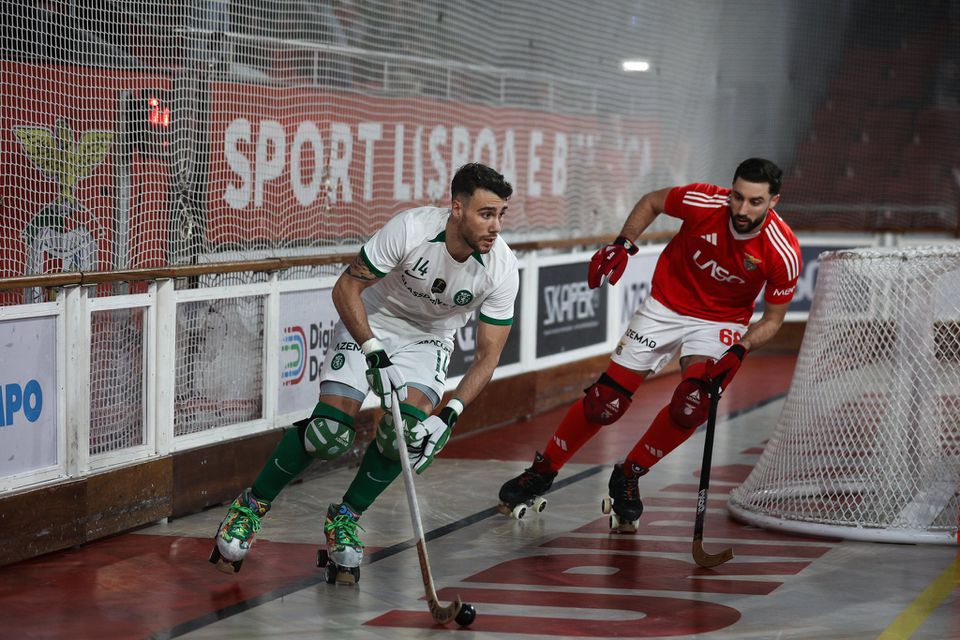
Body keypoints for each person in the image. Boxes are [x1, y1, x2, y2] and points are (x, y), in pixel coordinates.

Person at [211, 163, 518, 580]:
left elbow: (488, 355)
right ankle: (251, 506)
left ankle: (346, 518)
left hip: (429, 340)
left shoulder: (501, 267)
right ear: (456, 208)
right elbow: (346, 288)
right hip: (372, 321)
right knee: (329, 434)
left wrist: (450, 414)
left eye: (501, 214)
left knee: (405, 439)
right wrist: (373, 349)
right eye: (486, 213)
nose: (496, 226)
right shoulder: (411, 229)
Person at [498, 157, 801, 530]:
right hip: (665, 304)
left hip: (720, 322)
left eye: (754, 202)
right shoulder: (703, 201)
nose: (741, 209)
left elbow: (772, 321)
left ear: (773, 202)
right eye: (737, 197)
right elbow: (653, 202)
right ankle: (542, 471)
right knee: (604, 403)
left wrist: (741, 348)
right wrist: (623, 244)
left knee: (693, 404)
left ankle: (629, 475)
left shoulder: (782, 251)